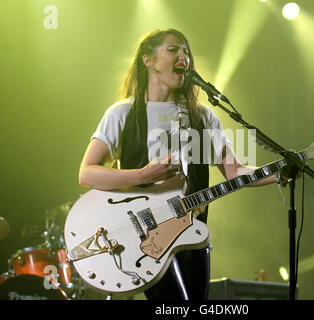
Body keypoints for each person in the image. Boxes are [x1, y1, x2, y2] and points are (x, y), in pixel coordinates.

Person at [78, 28, 283, 300]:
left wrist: (281, 172)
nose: (183, 55)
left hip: (193, 238)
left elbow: (236, 172)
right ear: (148, 60)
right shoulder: (123, 114)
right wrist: (142, 174)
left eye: (186, 51)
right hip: (147, 238)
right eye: (173, 49)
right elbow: (87, 173)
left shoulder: (203, 118)